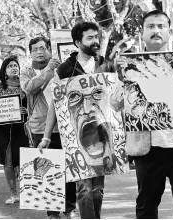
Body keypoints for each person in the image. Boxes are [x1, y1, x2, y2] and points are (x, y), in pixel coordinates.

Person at [116, 10, 173, 219]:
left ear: (169, 32)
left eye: (161, 26)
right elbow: (115, 103)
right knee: (147, 206)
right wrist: (120, 79)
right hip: (147, 149)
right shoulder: (128, 65)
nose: (156, 31)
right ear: (141, 33)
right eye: (151, 27)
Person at [39, 21, 115, 219]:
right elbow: (55, 106)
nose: (95, 41)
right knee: (84, 188)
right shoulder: (64, 70)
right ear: (77, 43)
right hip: (74, 136)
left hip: (102, 134)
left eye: (96, 37)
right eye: (89, 38)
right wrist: (46, 137)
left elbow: (117, 99)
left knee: (97, 189)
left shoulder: (107, 65)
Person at [20, 37, 78, 219]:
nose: (40, 51)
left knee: (69, 169)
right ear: (30, 53)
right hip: (40, 127)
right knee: (46, 170)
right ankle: (52, 212)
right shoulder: (27, 72)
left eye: (44, 48)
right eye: (36, 49)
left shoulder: (61, 68)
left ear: (50, 50)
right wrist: (48, 70)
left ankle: (69, 207)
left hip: (64, 124)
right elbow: (29, 88)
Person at [0, 57, 29, 204]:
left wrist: (26, 110)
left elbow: (33, 106)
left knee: (24, 161)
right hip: (3, 131)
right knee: (8, 162)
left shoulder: (26, 85)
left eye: (16, 65)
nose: (14, 68)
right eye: (10, 66)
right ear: (4, 71)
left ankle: (28, 192)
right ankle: (14, 194)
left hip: (22, 129)